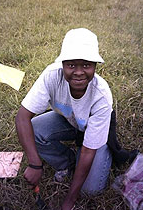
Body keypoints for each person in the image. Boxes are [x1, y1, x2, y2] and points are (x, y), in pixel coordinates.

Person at [15, 28, 136, 210]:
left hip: (91, 130)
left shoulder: (101, 96)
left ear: (95, 65)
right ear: (62, 64)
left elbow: (88, 151)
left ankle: (105, 152)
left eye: (86, 65)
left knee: (91, 190)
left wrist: (69, 200)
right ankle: (67, 161)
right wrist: (34, 163)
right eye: (71, 65)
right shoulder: (51, 76)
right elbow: (22, 117)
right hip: (69, 120)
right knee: (35, 128)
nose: (79, 72)